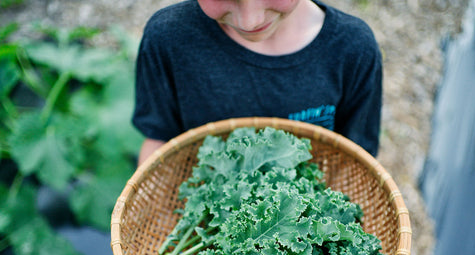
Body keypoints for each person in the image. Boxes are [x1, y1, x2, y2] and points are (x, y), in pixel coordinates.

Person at [132, 0, 383, 166]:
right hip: (203, 213)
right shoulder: (168, 39)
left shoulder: (353, 49)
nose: (249, 21)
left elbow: (357, 160)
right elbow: (159, 140)